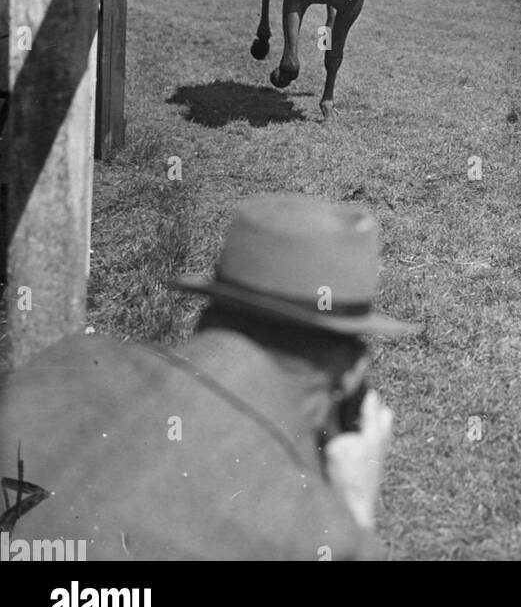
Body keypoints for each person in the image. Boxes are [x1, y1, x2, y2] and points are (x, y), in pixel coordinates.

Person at [0, 196, 419, 561]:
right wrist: (355, 510)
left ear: (207, 312)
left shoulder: (68, 361)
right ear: (351, 375)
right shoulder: (312, 535)